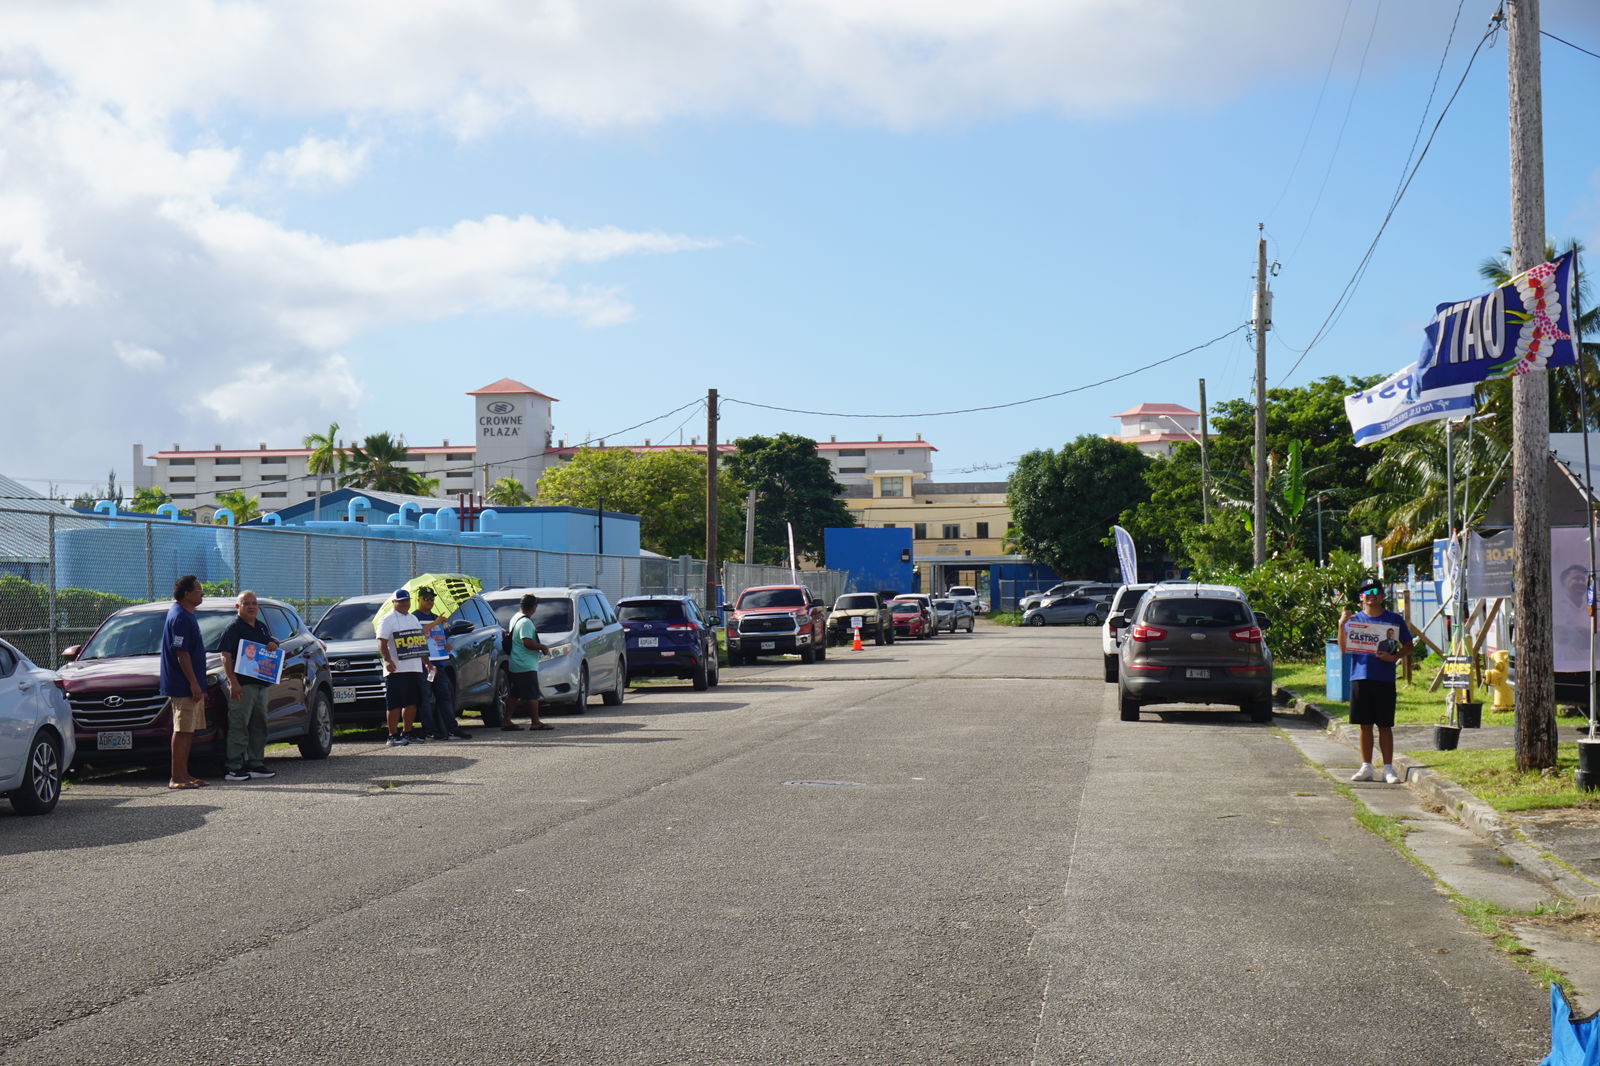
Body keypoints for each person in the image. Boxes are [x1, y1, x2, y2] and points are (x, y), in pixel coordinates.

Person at [1338, 580, 1415, 785]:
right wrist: (1340, 624)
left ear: (1382, 596)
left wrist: (1394, 657)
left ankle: (1388, 769)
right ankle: (1366, 766)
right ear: (1360, 597)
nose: (1371, 595)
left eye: (1375, 591)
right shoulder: (1353, 620)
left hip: (1384, 678)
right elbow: (1344, 648)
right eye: (1366, 591)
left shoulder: (1393, 619)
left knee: (1385, 725)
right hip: (1360, 677)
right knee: (1364, 725)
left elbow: (1408, 645)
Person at [218, 590, 280, 782]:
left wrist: (273, 644)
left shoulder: (260, 627)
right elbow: (225, 656)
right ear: (238, 607)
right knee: (239, 724)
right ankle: (234, 766)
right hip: (243, 686)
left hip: (261, 684)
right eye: (246, 603)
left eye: (254, 603)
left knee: (259, 724)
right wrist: (233, 682)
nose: (251, 606)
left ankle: (256, 763)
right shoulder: (233, 628)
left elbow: (269, 646)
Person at [159, 574, 208, 790]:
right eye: (198, 590)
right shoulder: (179, 616)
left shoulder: (188, 614)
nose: (202, 593)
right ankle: (176, 777)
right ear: (187, 594)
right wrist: (193, 683)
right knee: (181, 729)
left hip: (190, 683)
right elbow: (181, 653)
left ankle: (185, 774)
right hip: (182, 685)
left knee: (189, 730)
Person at [413, 586, 470, 740]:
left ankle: (452, 728)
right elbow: (418, 634)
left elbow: (438, 637)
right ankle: (430, 730)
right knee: (425, 698)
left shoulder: (437, 617)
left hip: (439, 662)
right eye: (426, 598)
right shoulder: (414, 617)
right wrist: (435, 622)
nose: (429, 601)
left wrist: (445, 643)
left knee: (444, 696)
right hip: (424, 662)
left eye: (432, 599)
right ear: (418, 600)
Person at [375, 588, 428, 746]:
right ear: (394, 602)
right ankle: (392, 735)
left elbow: (419, 643)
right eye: (401, 601)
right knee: (394, 703)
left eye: (407, 600)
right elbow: (381, 642)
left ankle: (408, 732)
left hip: (414, 667)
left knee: (412, 702)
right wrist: (387, 660)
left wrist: (427, 663)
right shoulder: (387, 619)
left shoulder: (413, 618)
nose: (405, 603)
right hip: (396, 669)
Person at [507, 592, 551, 731]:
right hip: (525, 664)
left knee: (515, 694)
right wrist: (542, 647)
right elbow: (526, 642)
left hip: (516, 662)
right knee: (532, 694)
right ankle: (535, 722)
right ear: (533, 607)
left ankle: (506, 720)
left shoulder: (516, 617)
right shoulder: (526, 622)